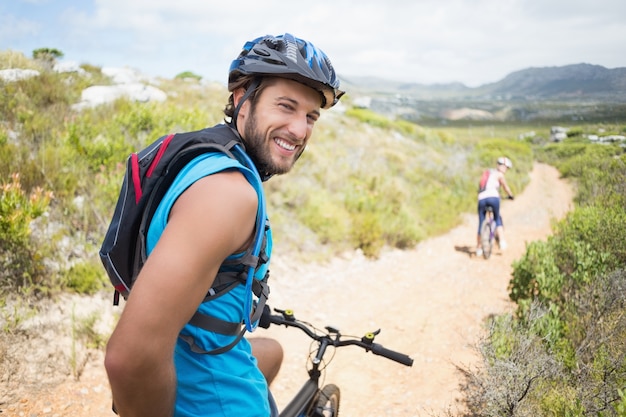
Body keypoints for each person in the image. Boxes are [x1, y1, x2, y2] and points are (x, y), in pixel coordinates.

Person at [104, 33, 344, 417]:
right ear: (241, 97)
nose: (300, 130)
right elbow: (128, 359)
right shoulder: (229, 194)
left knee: (272, 352)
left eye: (311, 116)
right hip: (217, 403)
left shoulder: (202, 158)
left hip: (193, 362)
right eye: (286, 106)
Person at [475, 157, 514, 257]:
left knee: (481, 221)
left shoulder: (487, 173)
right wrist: (510, 195)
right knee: (497, 218)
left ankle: (478, 248)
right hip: (493, 198)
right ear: (503, 166)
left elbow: (481, 186)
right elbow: (505, 187)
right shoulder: (499, 174)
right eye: (506, 167)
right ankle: (502, 242)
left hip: (481, 198)